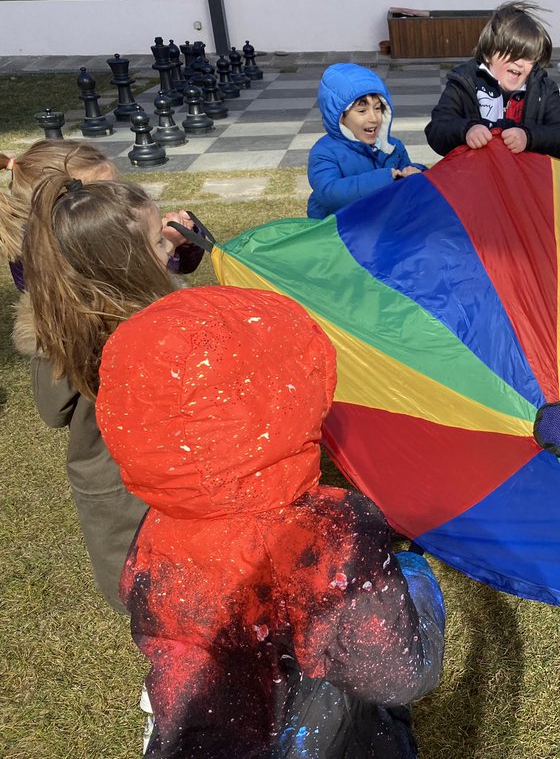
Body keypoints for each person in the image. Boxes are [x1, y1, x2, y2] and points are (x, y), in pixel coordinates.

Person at [95, 286, 446, 757]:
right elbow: (399, 674)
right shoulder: (332, 535)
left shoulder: (158, 528)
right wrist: (419, 582)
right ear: (289, 394)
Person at [17, 172, 179, 613]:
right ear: (127, 263)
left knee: (157, 593)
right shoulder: (146, 332)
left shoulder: (69, 326)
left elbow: (52, 412)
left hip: (120, 493)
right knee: (156, 597)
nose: (170, 248)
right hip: (129, 496)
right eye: (159, 242)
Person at [2, 139, 201, 291]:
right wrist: (169, 244)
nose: (121, 198)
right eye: (107, 193)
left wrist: (183, 240)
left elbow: (182, 265)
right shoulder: (79, 249)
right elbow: (143, 278)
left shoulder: (40, 238)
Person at [424, 0, 560, 159]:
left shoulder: (544, 89)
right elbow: (437, 128)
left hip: (524, 176)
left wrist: (528, 137)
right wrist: (466, 130)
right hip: (474, 174)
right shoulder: (463, 82)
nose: (520, 63)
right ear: (489, 54)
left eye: (528, 57)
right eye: (513, 54)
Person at [307, 63, 426, 219]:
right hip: (338, 233)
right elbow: (328, 193)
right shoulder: (324, 151)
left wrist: (416, 171)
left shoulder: (393, 147)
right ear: (340, 116)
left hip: (380, 226)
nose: (373, 118)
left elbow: (407, 181)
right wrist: (385, 179)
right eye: (362, 111)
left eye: (378, 108)